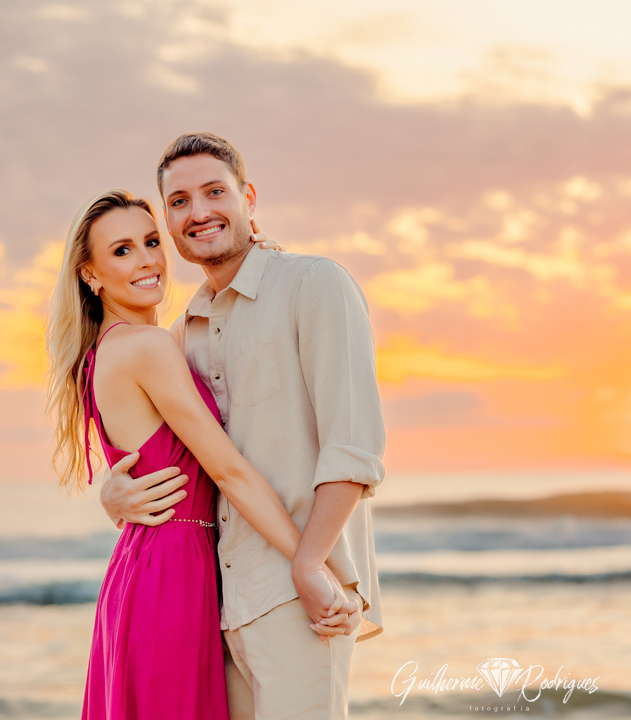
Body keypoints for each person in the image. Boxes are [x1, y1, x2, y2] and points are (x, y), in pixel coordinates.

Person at [97, 132, 388, 720]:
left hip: (300, 593)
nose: (198, 212)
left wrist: (311, 566)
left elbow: (352, 448)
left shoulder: (314, 285)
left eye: (214, 192)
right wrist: (114, 494)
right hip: (217, 601)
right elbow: (174, 453)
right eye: (178, 202)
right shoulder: (183, 332)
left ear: (248, 197)